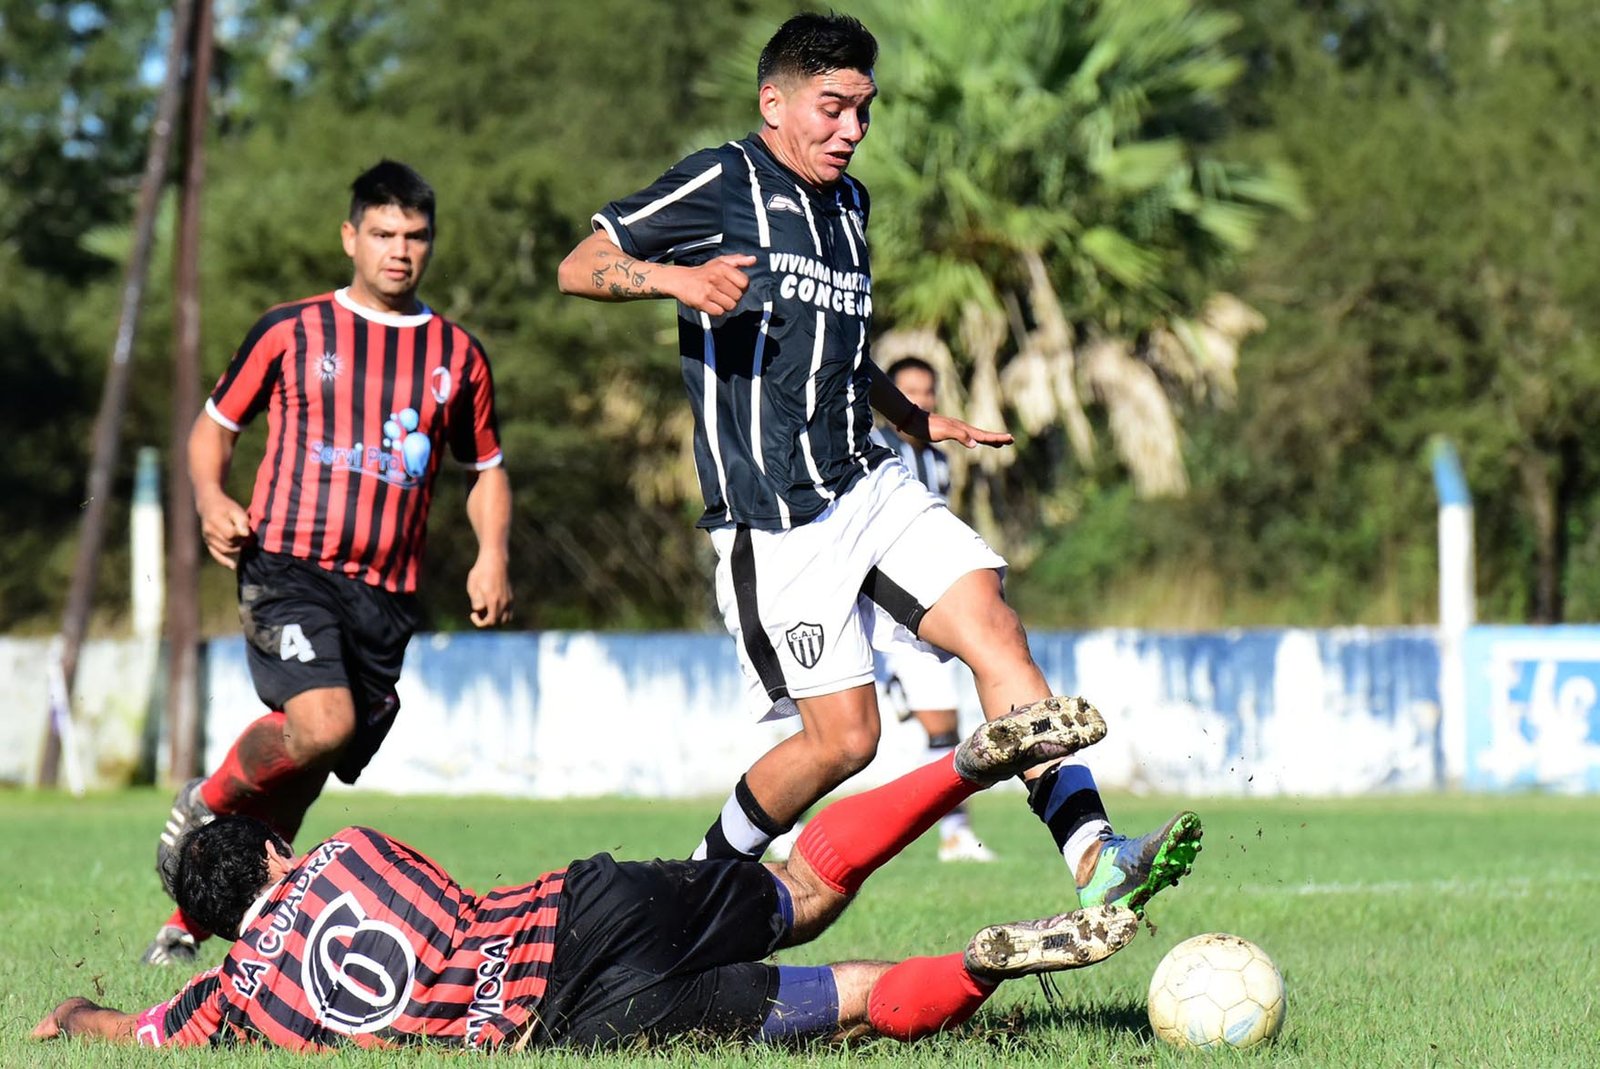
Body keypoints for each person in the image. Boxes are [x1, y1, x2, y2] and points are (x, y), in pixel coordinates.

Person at [557, 13, 1200, 912]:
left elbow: (840, 345)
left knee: (993, 625)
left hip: (865, 478)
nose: (851, 131)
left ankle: (1096, 852)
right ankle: (693, 893)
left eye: (864, 110)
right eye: (832, 108)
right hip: (775, 519)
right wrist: (675, 279)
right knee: (843, 740)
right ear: (773, 102)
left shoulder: (850, 205)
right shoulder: (722, 179)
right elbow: (580, 264)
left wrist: (911, 416)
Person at [34, 701, 1139, 1051]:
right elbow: (443, 903)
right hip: (582, 908)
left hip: (580, 1020)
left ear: (222, 922)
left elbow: (128, 1028)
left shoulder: (233, 1002)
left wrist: (72, 1013)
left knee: (841, 1003)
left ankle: (975, 964)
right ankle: (964, 763)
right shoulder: (350, 846)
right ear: (276, 848)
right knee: (801, 886)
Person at [142, 159, 514, 966]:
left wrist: (491, 552)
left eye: (415, 236)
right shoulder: (291, 330)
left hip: (386, 597)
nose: (399, 250)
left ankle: (196, 923)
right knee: (323, 723)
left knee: (305, 776)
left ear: (431, 244)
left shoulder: (458, 354)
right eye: (382, 233)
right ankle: (202, 804)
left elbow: (485, 469)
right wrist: (211, 498)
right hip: (288, 565)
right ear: (351, 237)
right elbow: (214, 428)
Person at [870, 356, 992, 862]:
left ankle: (955, 833)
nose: (920, 400)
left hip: (921, 605)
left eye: (928, 391)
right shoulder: (878, 448)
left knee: (943, 725)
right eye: (909, 391)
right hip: (880, 606)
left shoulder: (939, 459)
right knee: (840, 738)